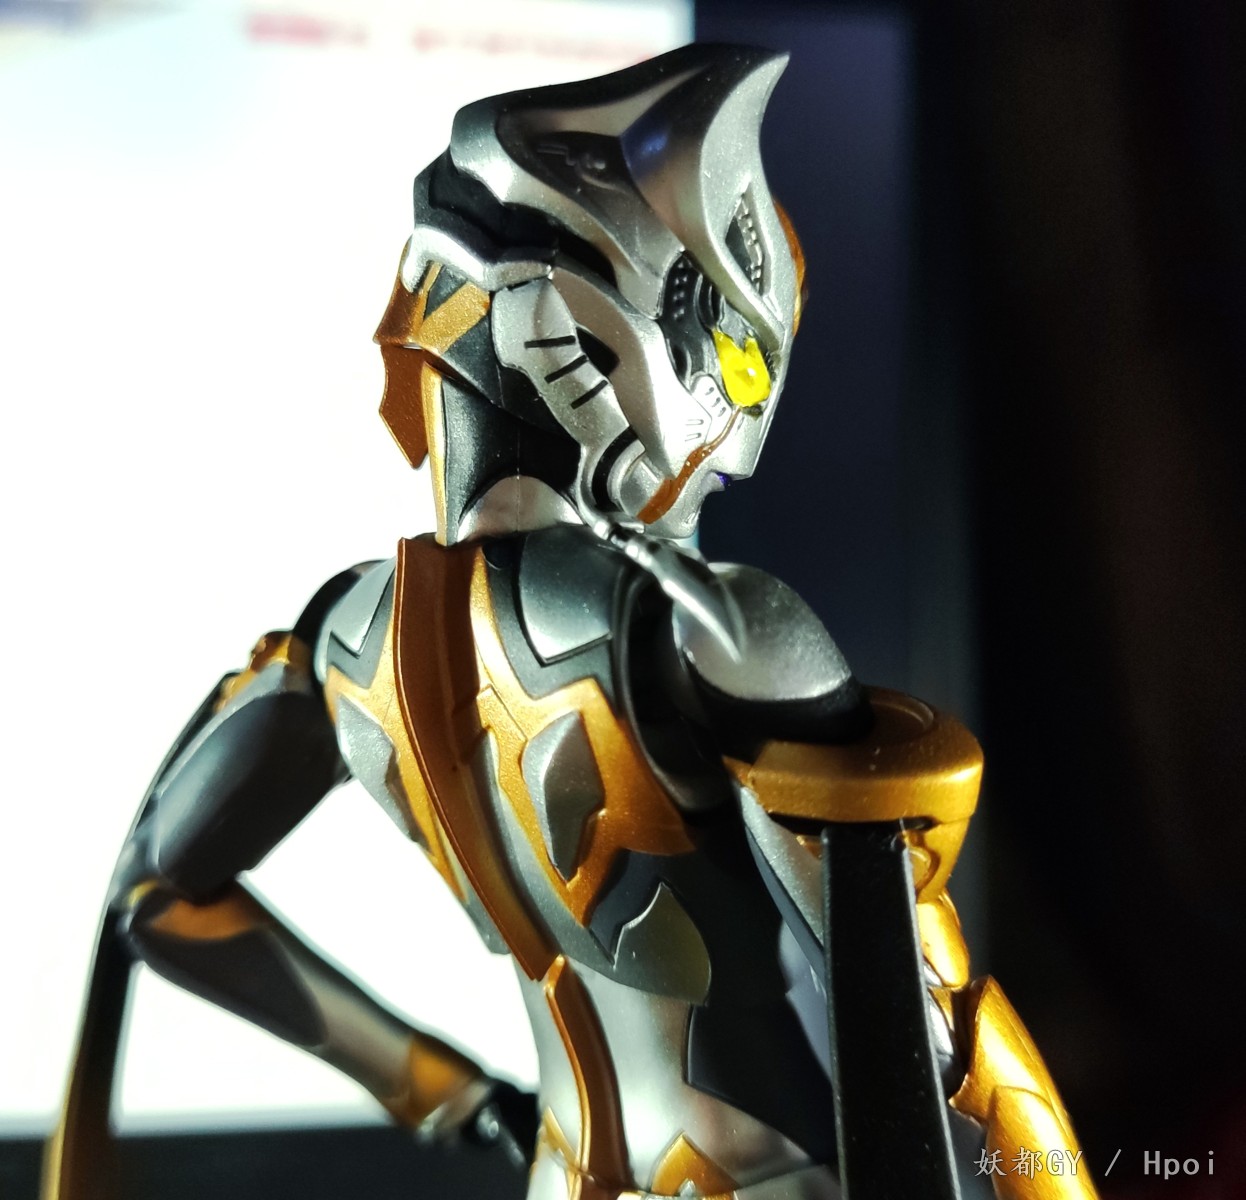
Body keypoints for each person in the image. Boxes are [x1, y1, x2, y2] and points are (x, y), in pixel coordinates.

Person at [47, 44, 1095, 1200]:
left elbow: (158, 898)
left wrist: (453, 1096)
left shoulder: (347, 644)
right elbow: (933, 1032)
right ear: (591, 329)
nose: (732, 439)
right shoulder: (715, 633)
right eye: (734, 361)